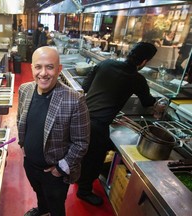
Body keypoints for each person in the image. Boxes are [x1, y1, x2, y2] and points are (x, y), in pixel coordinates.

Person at [77, 42, 158, 206]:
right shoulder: (137, 79)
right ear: (144, 62)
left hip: (80, 117)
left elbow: (85, 86)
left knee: (82, 153)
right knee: (94, 160)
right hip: (98, 125)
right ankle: (84, 192)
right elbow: (147, 102)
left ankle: (78, 179)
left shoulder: (106, 64)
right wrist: (160, 103)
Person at [17, 46, 90, 216]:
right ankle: (42, 211)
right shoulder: (24, 90)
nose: (43, 73)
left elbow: (81, 143)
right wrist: (23, 146)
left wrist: (60, 167)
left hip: (54, 172)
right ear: (32, 67)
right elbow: (20, 118)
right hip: (30, 164)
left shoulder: (74, 100)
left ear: (59, 69)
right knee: (40, 194)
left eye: (49, 67)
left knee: (56, 204)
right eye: (38, 67)